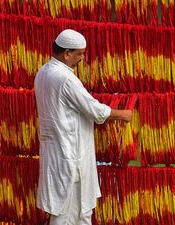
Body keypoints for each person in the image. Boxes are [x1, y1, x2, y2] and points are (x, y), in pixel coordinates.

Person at [34, 29, 132, 225]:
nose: (82, 58)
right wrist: (122, 114)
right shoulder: (65, 79)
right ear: (66, 53)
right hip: (70, 155)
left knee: (79, 213)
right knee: (65, 214)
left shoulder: (43, 73)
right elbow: (93, 109)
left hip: (60, 153)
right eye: (79, 53)